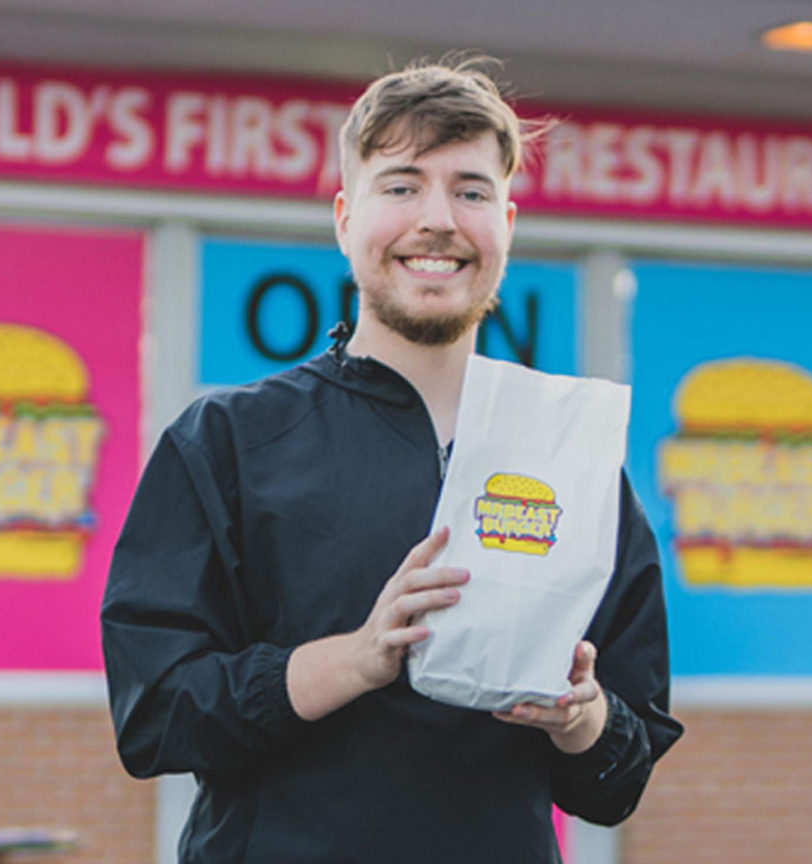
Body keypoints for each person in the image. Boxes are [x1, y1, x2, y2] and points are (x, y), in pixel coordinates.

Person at [101, 56, 682, 864]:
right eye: (402, 185)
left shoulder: (567, 456)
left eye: (471, 191)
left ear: (506, 225)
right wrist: (360, 657)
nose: (437, 219)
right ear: (346, 219)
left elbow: (617, 778)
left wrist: (581, 712)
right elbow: (153, 713)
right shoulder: (230, 441)